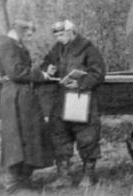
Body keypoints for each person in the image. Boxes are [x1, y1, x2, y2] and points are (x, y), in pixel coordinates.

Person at [41, 20, 106, 188]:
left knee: (87, 136)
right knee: (59, 135)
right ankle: (64, 176)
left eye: (61, 34)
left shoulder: (87, 48)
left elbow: (98, 72)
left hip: (81, 97)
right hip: (61, 99)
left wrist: (81, 83)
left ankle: (89, 175)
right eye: (56, 35)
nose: (58, 38)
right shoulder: (57, 48)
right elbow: (46, 62)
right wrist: (47, 69)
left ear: (72, 32)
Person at [0, 20, 53, 192]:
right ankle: (13, 184)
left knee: (28, 136)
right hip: (15, 98)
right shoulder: (7, 46)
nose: (29, 37)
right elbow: (16, 72)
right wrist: (40, 74)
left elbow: (17, 71)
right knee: (16, 138)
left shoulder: (14, 45)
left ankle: (24, 180)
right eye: (27, 34)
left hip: (22, 97)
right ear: (19, 30)